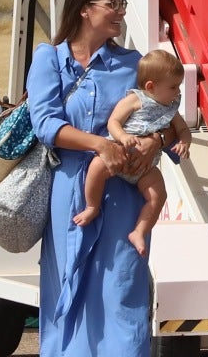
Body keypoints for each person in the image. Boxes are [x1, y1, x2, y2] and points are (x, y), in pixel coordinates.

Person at [26, 0, 184, 357]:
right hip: (73, 189)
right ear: (84, 9)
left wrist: (152, 143)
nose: (120, 11)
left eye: (121, 3)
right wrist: (101, 144)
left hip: (126, 193)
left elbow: (170, 122)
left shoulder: (135, 64)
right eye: (112, 4)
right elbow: (45, 123)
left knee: (122, 292)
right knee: (70, 293)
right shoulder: (48, 60)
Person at [71, 49, 188, 254]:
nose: (178, 92)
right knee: (97, 166)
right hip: (120, 152)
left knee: (158, 195)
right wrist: (123, 137)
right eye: (173, 87)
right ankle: (92, 206)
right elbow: (114, 122)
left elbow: (182, 130)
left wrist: (185, 142)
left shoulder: (170, 107)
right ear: (151, 86)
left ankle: (139, 231)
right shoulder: (136, 100)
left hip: (146, 167)